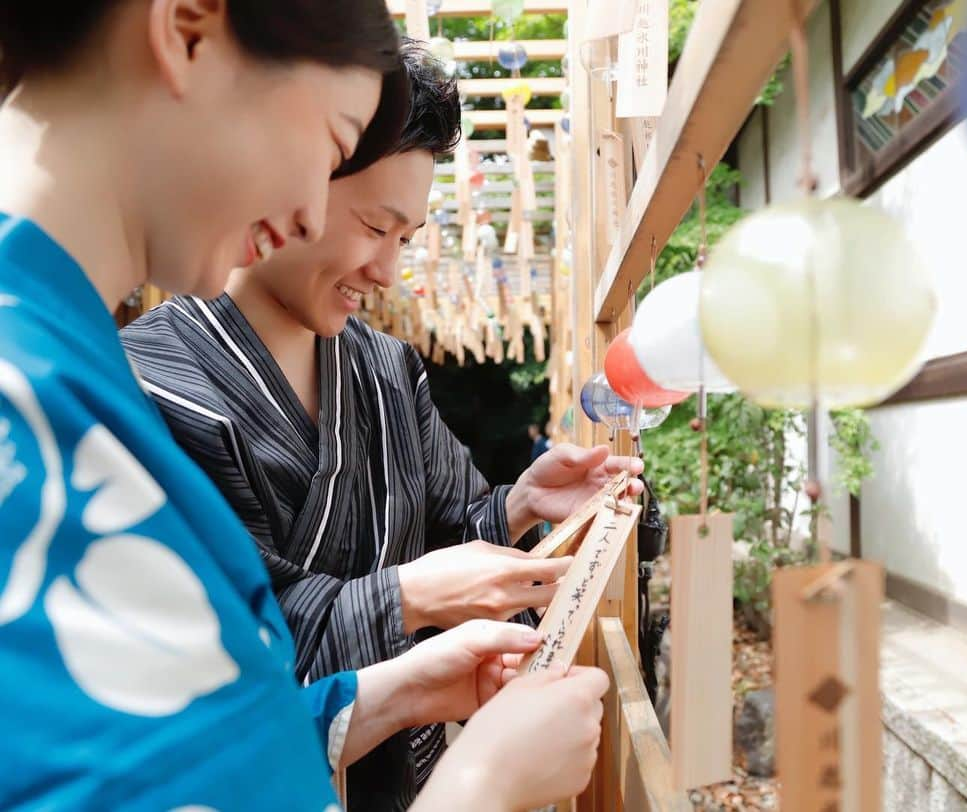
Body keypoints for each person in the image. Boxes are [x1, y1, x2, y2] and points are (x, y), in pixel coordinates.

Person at [0, 3, 609, 809]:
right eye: (331, 140)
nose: (307, 207)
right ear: (187, 29)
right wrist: (484, 786)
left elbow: (200, 729)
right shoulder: (80, 387)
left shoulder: (66, 363)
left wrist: (391, 693)